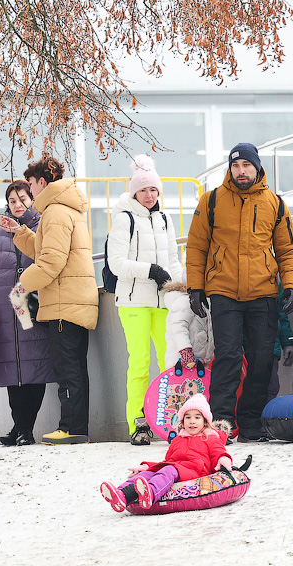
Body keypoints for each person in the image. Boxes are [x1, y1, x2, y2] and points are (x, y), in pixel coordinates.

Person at [185, 142, 293, 442]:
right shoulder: (211, 201)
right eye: (236, 166)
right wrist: (195, 287)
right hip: (223, 292)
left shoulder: (274, 203)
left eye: (246, 165)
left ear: (257, 167)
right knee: (228, 358)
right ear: (230, 168)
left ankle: (251, 423)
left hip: (263, 293)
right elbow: (196, 247)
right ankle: (221, 421)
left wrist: (291, 285)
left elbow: (287, 249)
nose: (241, 171)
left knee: (262, 359)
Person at [6, 155, 99, 445]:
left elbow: (51, 261)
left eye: (31, 184)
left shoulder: (57, 212)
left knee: (68, 370)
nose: (30, 191)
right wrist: (20, 232)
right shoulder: (60, 210)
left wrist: (21, 288)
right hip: (68, 300)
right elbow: (45, 247)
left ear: (42, 183)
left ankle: (72, 428)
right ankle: (74, 427)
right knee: (71, 368)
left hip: (64, 303)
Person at [107, 155, 182, 445]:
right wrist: (150, 271)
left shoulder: (164, 219)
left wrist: (182, 286)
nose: (149, 196)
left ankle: (171, 419)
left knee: (170, 361)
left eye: (153, 190)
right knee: (139, 362)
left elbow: (173, 260)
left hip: (163, 302)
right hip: (134, 302)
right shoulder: (123, 219)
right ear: (134, 192)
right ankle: (138, 424)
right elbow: (116, 263)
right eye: (143, 190)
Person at [0, 180, 56, 447]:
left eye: (22, 199)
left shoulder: (42, 226)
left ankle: (25, 428)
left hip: (31, 305)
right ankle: (19, 427)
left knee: (34, 367)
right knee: (13, 370)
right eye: (12, 201)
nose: (17, 205)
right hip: (6, 309)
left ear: (32, 199)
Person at [99, 393, 232, 513]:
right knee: (149, 474)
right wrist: (147, 467)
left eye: (197, 417)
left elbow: (218, 451)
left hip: (196, 470)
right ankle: (121, 495)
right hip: (175, 468)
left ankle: (150, 492)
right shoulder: (178, 440)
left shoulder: (210, 437)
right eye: (188, 417)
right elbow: (167, 462)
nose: (192, 421)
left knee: (169, 470)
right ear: (182, 421)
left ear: (205, 421)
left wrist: (223, 459)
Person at [267, 277, 293, 403]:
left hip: (271, 346)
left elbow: (282, 315)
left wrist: (288, 342)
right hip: (244, 349)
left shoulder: (274, 283)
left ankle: (267, 420)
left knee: (271, 386)